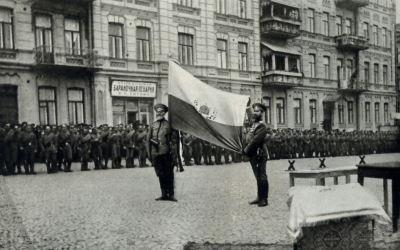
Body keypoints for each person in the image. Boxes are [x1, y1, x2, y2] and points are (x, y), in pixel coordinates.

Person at [147, 103, 177, 202]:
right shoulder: (152, 125)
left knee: (169, 174)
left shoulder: (169, 125)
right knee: (160, 173)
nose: (159, 113)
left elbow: (174, 140)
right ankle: (164, 194)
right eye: (158, 112)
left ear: (165, 113)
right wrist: (149, 154)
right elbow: (148, 141)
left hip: (167, 153)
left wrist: (174, 154)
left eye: (161, 112)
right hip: (156, 153)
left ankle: (171, 194)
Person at [243, 103, 268, 207]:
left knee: (262, 176)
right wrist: (248, 107)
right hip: (254, 154)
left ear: (261, 113)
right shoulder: (254, 124)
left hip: (260, 154)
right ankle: (259, 197)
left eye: (257, 111)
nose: (255, 113)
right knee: (257, 176)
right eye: (254, 110)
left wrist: (246, 150)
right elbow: (250, 116)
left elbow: (255, 141)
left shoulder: (262, 126)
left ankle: (264, 199)